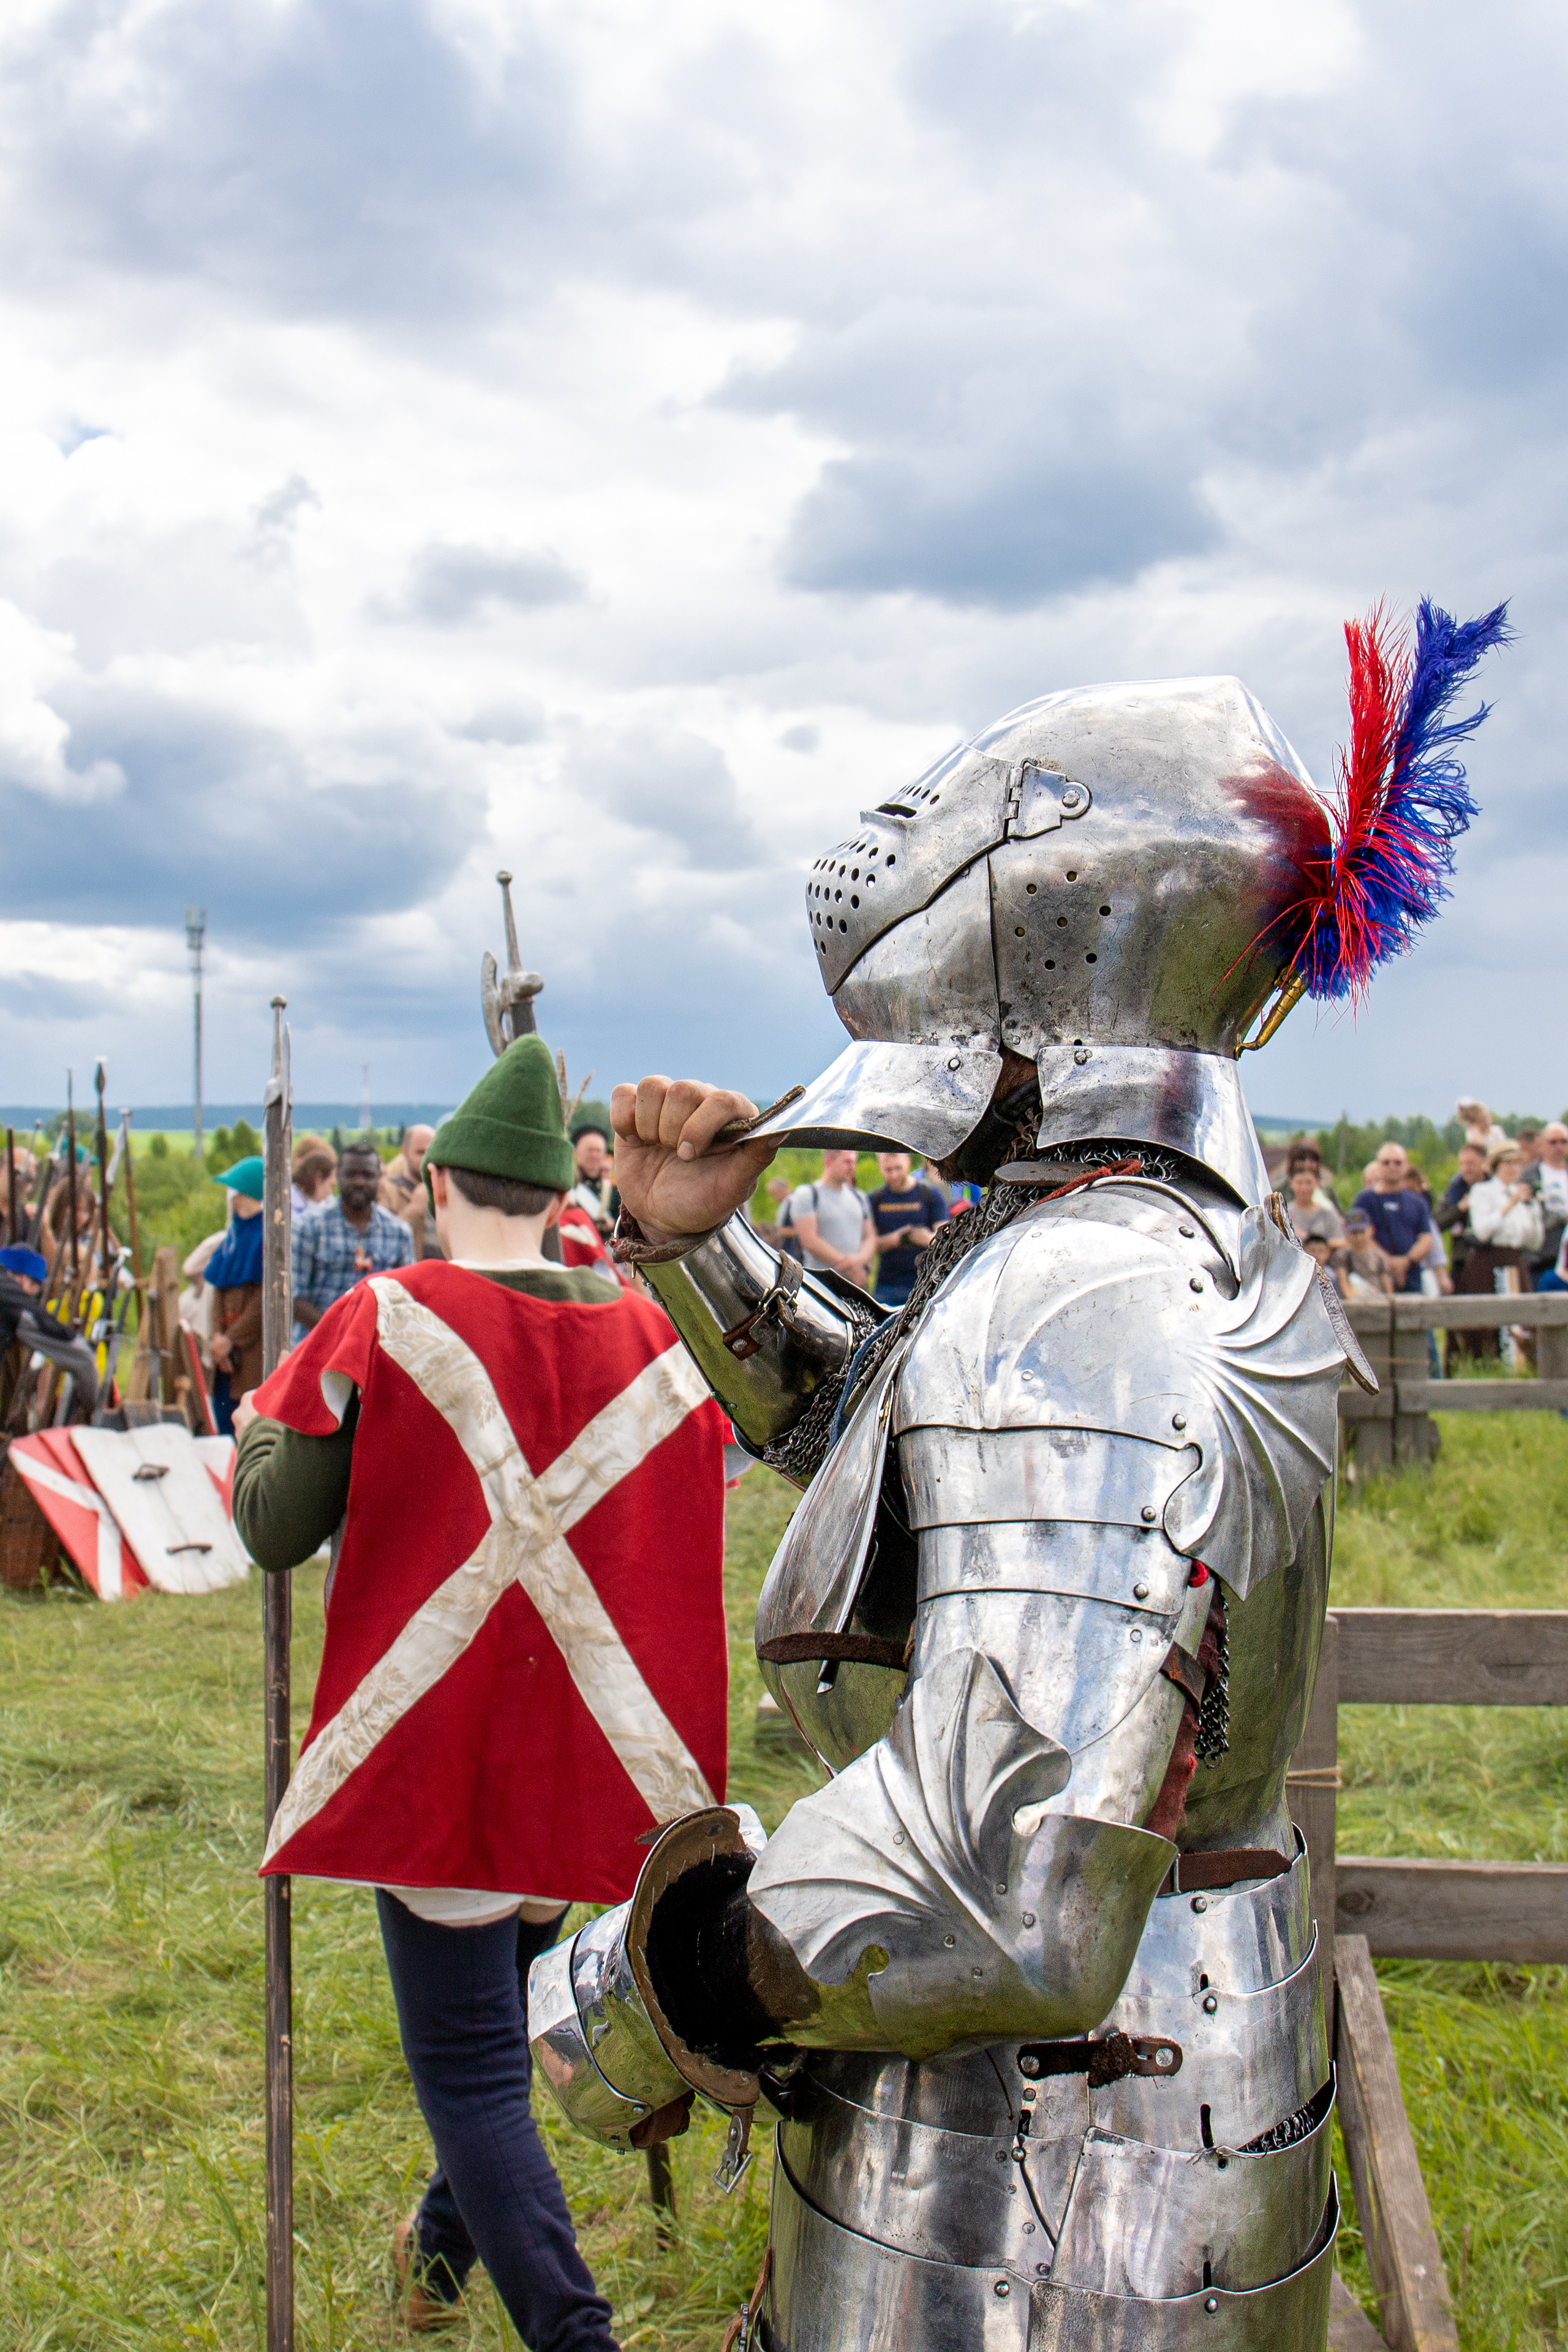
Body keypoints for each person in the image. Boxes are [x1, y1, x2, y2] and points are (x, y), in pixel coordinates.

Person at [535, 663, 1484, 2345]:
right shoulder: (1131, 1241)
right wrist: (697, 1244)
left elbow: (1007, 1876)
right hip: (1131, 2098)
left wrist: (660, 1977)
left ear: (1055, 904)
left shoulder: (1088, 1292)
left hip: (1041, 2182)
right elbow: (911, 1461)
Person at [233, 1033, 729, 2344]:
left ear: (440, 1184)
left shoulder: (391, 1314)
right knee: (497, 2045)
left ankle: (575, 2334)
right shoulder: (651, 1335)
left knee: (471, 2079)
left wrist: (255, 1443)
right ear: (557, 1192)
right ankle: (437, 2267)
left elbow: (276, 1526)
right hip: (579, 1750)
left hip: (445, 1746)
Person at [292, 1142, 413, 1330]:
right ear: (337, 1176)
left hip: (376, 1344)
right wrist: (343, 1332)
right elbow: (294, 1297)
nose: (359, 1182)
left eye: (368, 1175)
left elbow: (405, 1298)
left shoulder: (399, 1233)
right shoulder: (308, 1227)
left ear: (380, 1179)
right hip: (317, 1343)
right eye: (351, 1175)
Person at [205, 1158, 266, 1434]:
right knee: (224, 1421)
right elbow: (219, 1288)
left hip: (251, 1351)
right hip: (225, 1354)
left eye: (236, 1191)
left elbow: (263, 1301)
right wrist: (218, 1340)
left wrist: (231, 1339)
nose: (231, 1198)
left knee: (249, 1423)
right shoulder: (233, 1236)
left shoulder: (267, 1235)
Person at [867, 1152, 948, 1306]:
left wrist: (925, 1239)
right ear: (880, 1167)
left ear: (908, 1163)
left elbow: (946, 1240)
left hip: (925, 1282)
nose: (894, 1175)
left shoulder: (930, 1194)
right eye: (888, 1170)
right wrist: (897, 1239)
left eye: (898, 1168)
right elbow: (867, 1245)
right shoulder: (875, 1199)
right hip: (887, 1286)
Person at [1354, 1143, 1434, 1294]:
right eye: (1386, 1162)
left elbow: (1426, 1238)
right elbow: (1357, 1236)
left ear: (1406, 1166)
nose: (1392, 1166)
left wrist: (1406, 1262)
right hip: (1373, 1280)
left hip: (1412, 1280)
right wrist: (1387, 1262)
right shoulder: (1364, 1201)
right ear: (1378, 1166)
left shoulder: (1418, 1202)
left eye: (1398, 1162)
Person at [788, 1148, 875, 1285]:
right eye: (847, 1162)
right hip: (820, 1283)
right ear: (828, 1162)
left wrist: (860, 1262)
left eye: (854, 1162)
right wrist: (850, 1268)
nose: (852, 1167)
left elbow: (870, 1236)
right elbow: (809, 1240)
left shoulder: (859, 1197)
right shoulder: (808, 1194)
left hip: (855, 1284)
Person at [381, 1125, 438, 1259]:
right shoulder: (388, 1190)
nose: (427, 1159)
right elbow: (385, 1239)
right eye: (420, 1153)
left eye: (431, 1152)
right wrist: (416, 1208)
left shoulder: (445, 1191)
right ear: (404, 1152)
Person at [1436, 1140, 1487, 1290]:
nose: (1466, 1169)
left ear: (1484, 1162)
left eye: (1471, 1163)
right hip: (1462, 1260)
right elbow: (1436, 1223)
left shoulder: (1493, 1187)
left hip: (1488, 1257)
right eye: (1462, 1164)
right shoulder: (1455, 1190)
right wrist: (1459, 1209)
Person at [1529, 1121, 1568, 1285]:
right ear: (1542, 1145)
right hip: (1542, 1258)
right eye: (1553, 1142)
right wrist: (1562, 1218)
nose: (1559, 1147)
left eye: (1564, 1142)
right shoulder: (1530, 1176)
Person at [1284, 1158, 1343, 1248]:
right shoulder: (1285, 1213)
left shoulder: (1327, 1212)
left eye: (1309, 1183)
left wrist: (1315, 1241)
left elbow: (1342, 1241)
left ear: (1317, 1183)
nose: (1304, 1188)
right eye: (1299, 1183)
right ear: (1291, 1183)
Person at [1341, 1208, 1393, 1297]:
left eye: (1362, 1232)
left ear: (1371, 1230)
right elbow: (1344, 1283)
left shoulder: (1378, 1256)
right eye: (1354, 1233)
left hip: (1378, 1299)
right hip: (1354, 1300)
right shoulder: (1343, 1256)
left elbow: (1387, 1287)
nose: (1359, 1237)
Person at [291, 1134, 337, 1219]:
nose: (331, 1193)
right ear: (318, 1177)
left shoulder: (311, 1204)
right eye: (331, 1186)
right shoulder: (288, 1209)